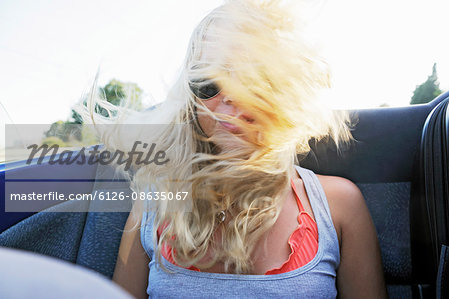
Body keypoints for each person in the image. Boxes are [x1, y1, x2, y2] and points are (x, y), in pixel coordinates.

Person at [90, 1, 387, 298]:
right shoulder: (155, 203)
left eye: (251, 77)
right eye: (208, 80)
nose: (230, 95)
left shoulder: (337, 205)